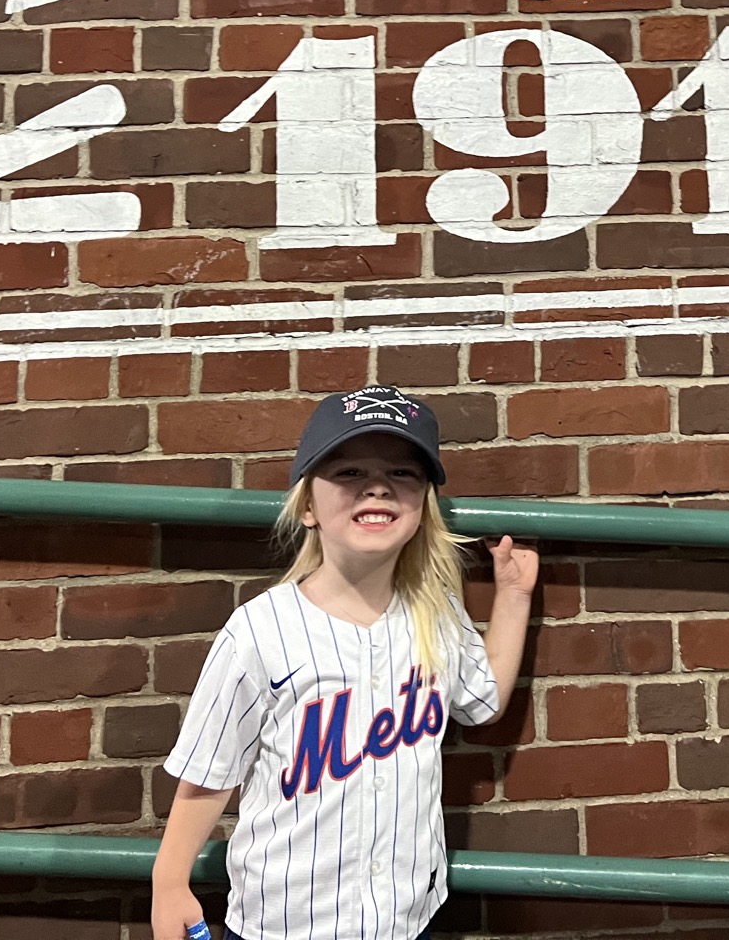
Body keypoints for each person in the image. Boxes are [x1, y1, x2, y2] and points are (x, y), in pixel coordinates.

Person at [150, 384, 538, 940]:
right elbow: (211, 771)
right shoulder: (260, 630)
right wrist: (169, 880)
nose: (377, 486)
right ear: (308, 504)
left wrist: (514, 599)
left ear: (423, 504)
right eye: (349, 472)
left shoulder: (437, 615)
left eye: (404, 474)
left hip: (405, 920)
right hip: (282, 923)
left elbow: (482, 701)